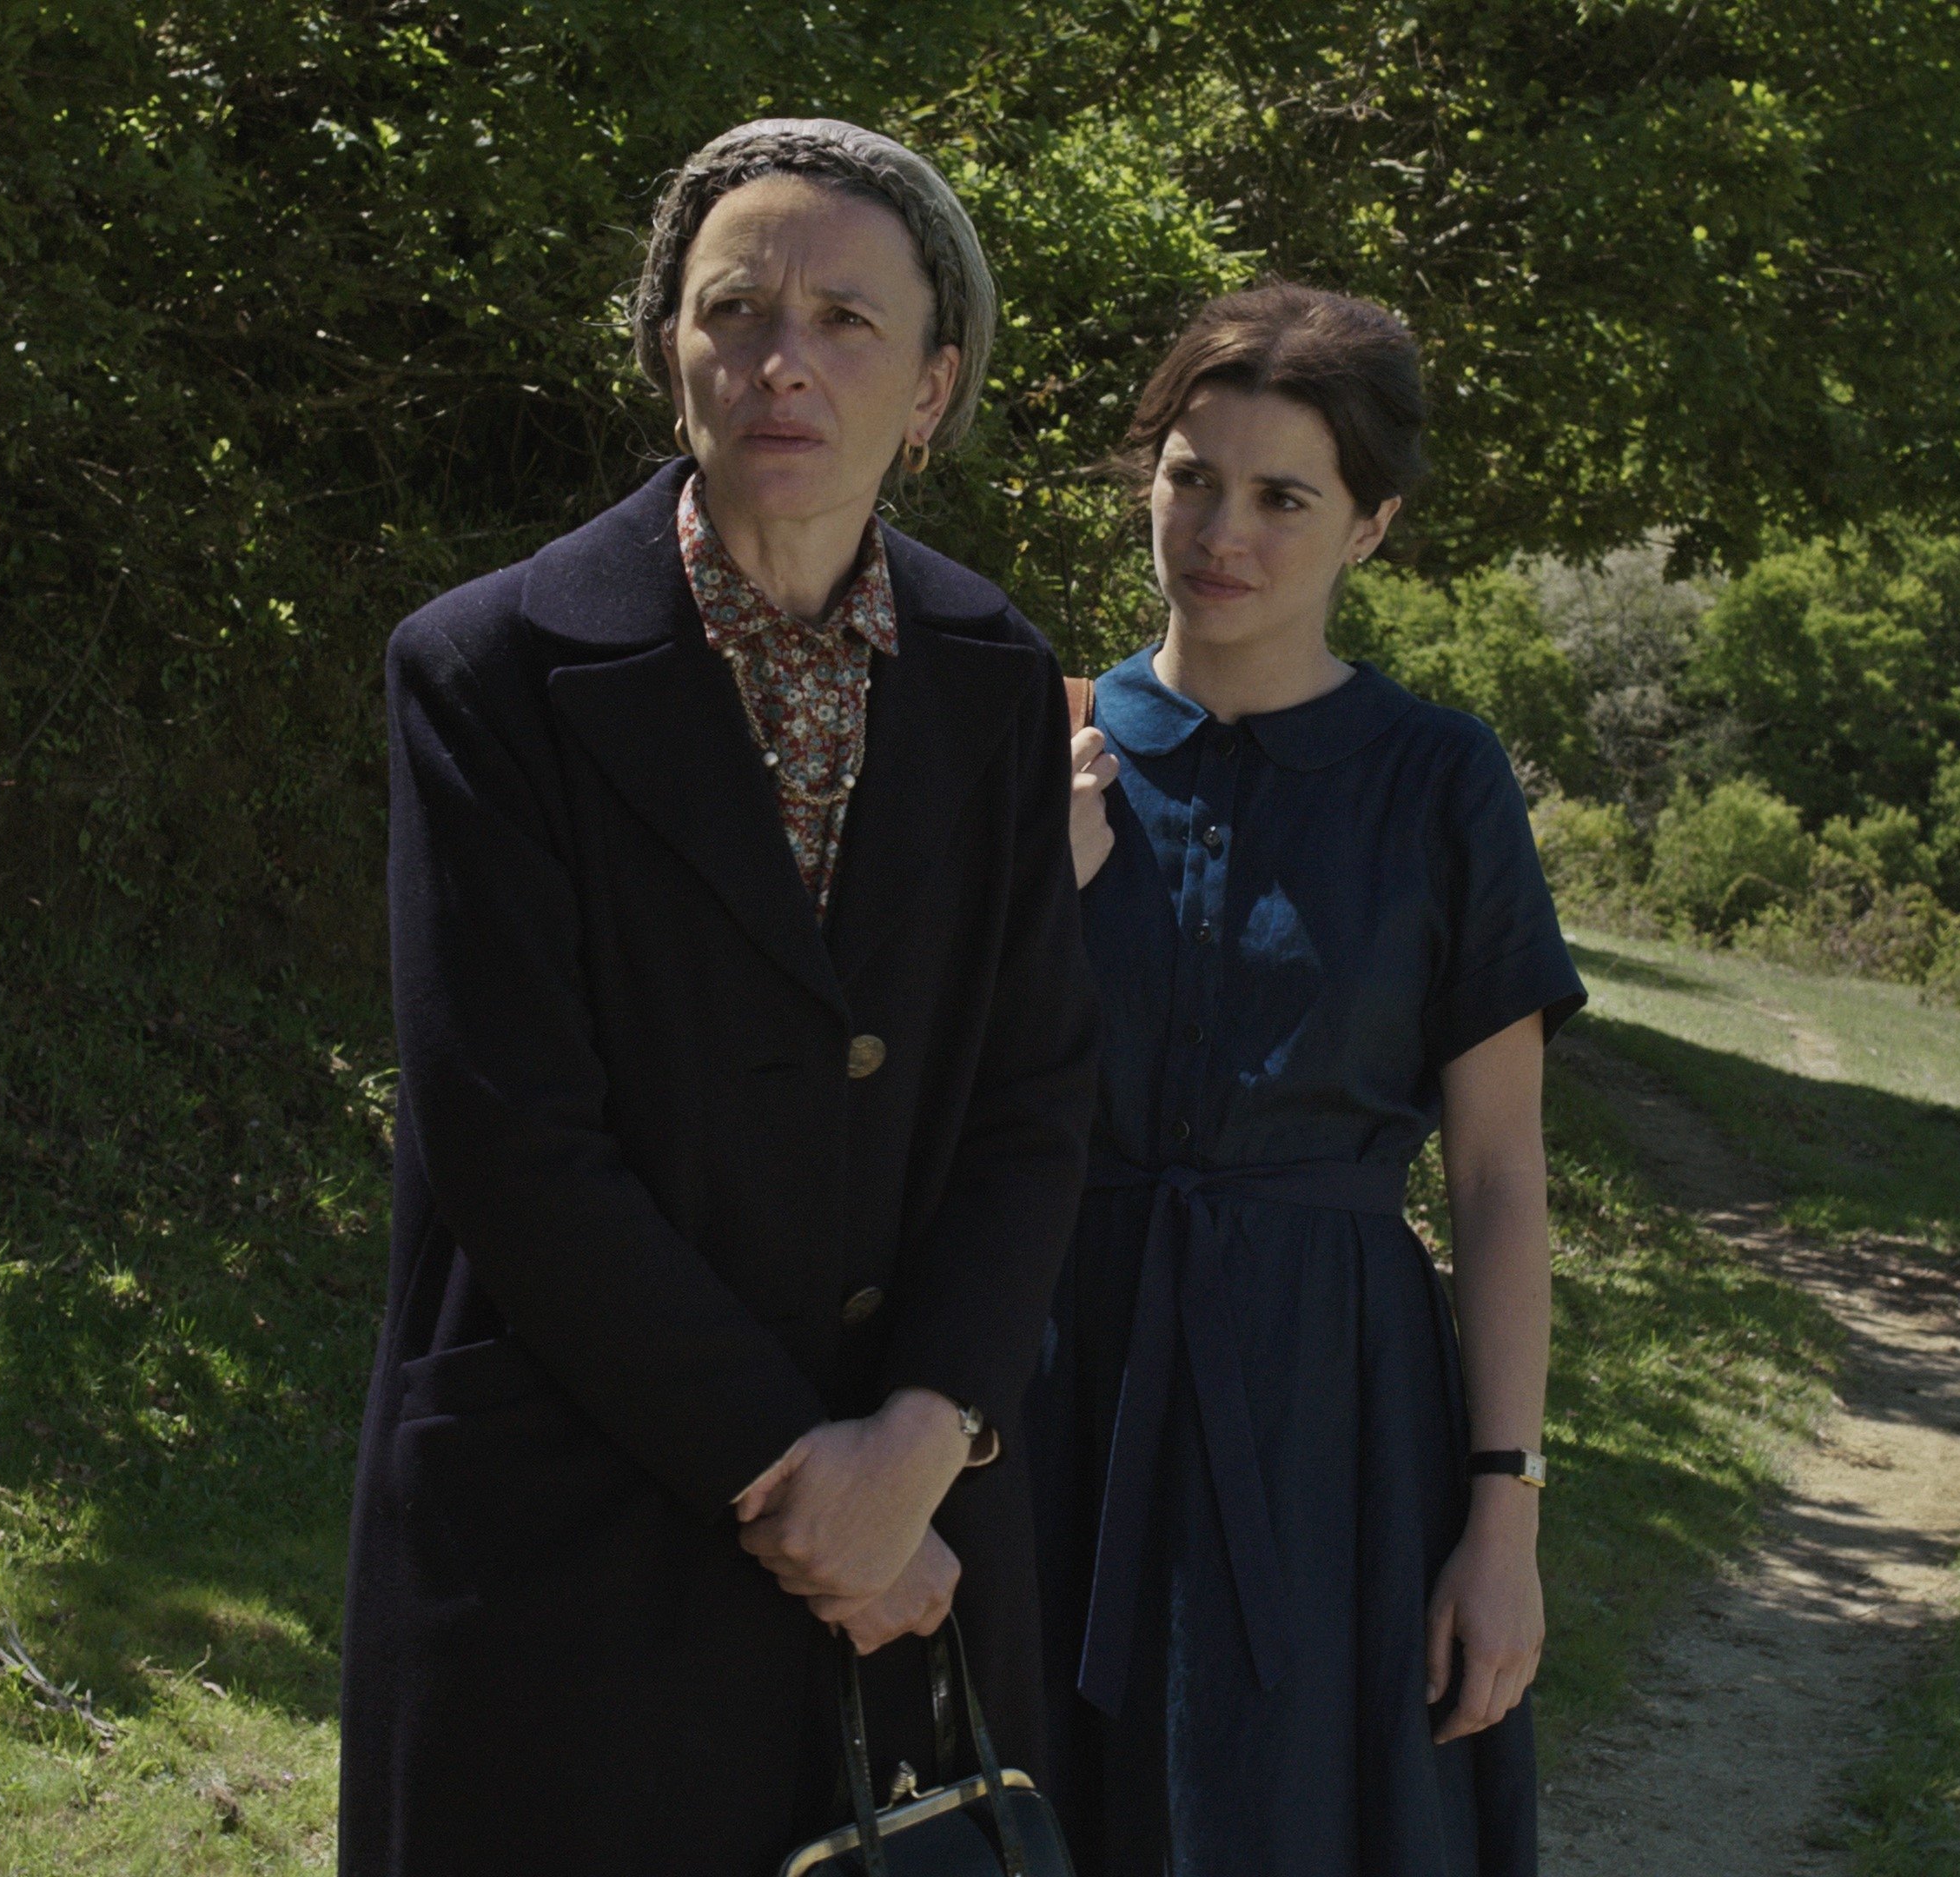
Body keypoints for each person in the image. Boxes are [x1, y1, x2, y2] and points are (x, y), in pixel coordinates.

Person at [340, 120, 1098, 1873]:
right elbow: (509, 1132)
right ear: (665, 348)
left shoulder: (995, 679)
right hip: (576, 1514)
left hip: (910, 1526)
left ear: (932, 388)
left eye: (847, 321)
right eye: (735, 309)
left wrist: (927, 1431)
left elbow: (1037, 1094)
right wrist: (793, 1477)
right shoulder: (489, 669)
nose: (783, 363)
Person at [1034, 283, 1585, 1875]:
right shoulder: (1039, 749)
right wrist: (1028, 892)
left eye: (1285, 497)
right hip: (1054, 1374)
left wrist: (1503, 1516)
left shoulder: (1439, 782)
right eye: (1191, 478)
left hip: (1331, 1411)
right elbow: (929, 1105)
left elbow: (1498, 1177)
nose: (1224, 534)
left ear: (1371, 527)